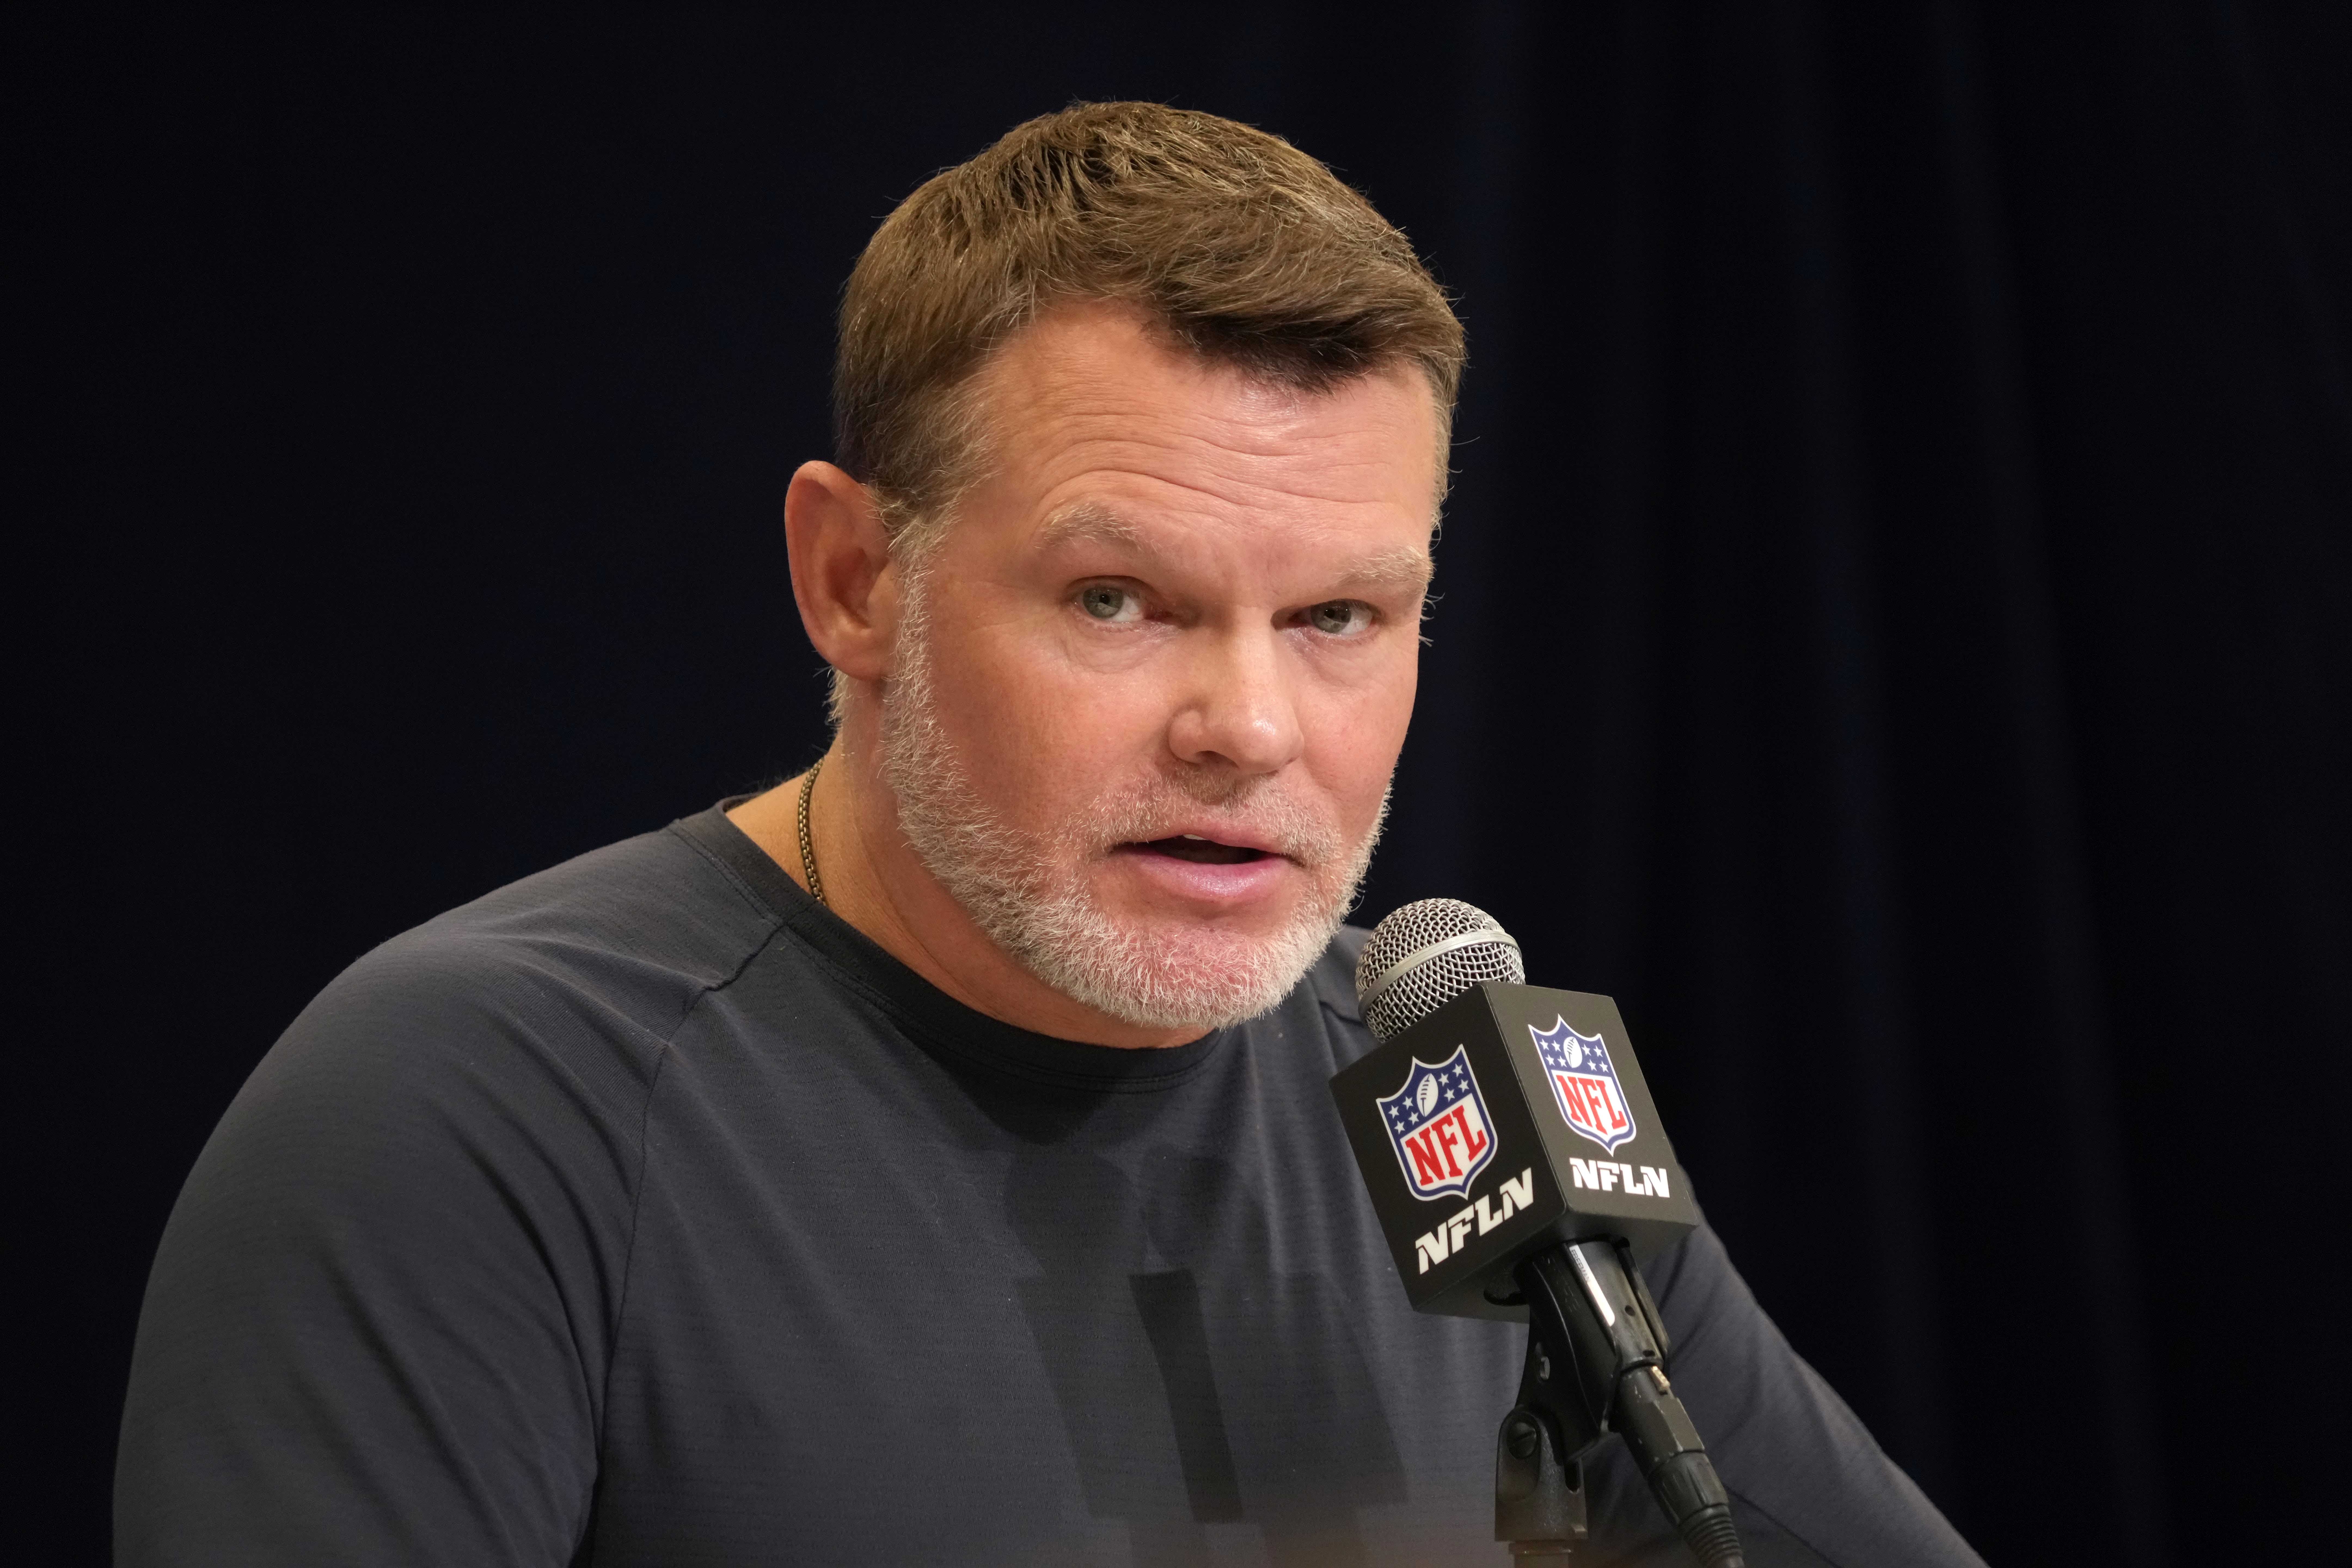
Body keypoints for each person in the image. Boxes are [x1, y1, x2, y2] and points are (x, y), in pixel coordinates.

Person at [114, 103, 1983, 1567]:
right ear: (853, 579)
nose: (1249, 729)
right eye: (1118, 600)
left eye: (1339, 617)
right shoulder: (471, 1112)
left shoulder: (1461, 1096)